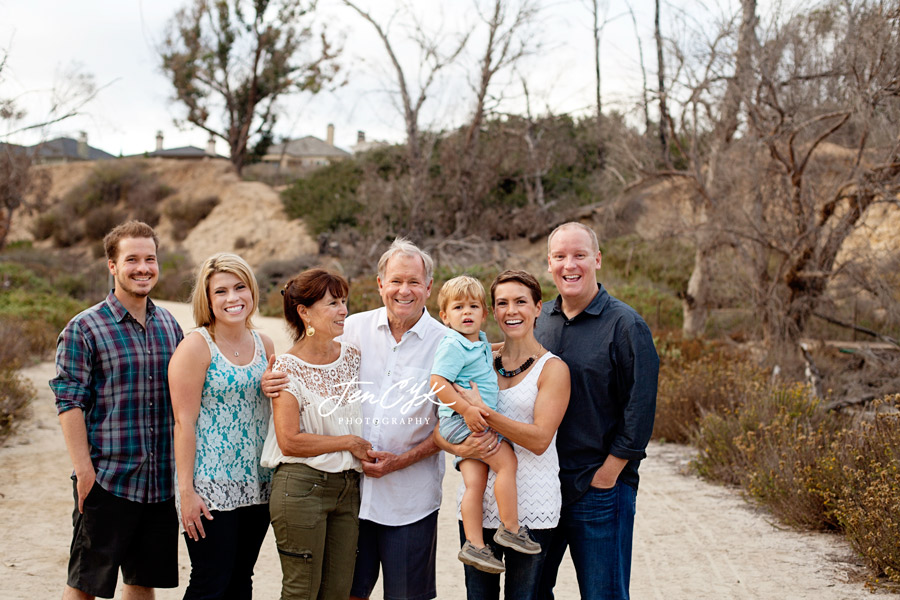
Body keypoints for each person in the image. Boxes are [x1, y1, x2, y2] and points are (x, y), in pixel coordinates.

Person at [262, 239, 480, 600]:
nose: (404, 290)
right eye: (395, 281)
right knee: (346, 592)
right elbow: (308, 357)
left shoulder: (449, 344)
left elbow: (453, 420)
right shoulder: (351, 329)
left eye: (414, 281)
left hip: (410, 501)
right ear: (380, 285)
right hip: (349, 496)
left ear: (428, 287)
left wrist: (402, 460)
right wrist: (272, 378)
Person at [51, 220, 183, 600]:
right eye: (132, 259)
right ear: (112, 265)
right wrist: (84, 473)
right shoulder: (84, 328)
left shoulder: (169, 326)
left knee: (142, 582)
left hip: (159, 482)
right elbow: (69, 401)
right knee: (85, 585)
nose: (143, 268)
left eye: (150, 259)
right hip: (108, 478)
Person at [535, 222, 659, 600]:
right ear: (550, 263)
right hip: (542, 488)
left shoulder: (626, 325)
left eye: (579, 255)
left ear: (597, 260)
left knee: (603, 594)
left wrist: (609, 474)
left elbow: (640, 409)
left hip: (599, 489)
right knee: (531, 592)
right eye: (560, 256)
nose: (569, 265)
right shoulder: (540, 322)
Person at [435, 270, 570, 600]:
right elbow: (439, 432)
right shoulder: (481, 359)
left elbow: (540, 440)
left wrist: (485, 415)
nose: (512, 310)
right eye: (503, 303)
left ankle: (513, 531)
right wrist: (462, 444)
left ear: (539, 307)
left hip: (531, 509)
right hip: (478, 507)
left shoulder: (553, 369)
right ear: (492, 311)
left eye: (521, 302)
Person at [259, 268, 372, 600]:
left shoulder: (353, 357)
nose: (343, 311)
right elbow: (289, 440)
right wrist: (349, 442)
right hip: (301, 487)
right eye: (332, 303)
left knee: (338, 591)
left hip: (348, 489)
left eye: (344, 302)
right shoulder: (285, 369)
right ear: (304, 311)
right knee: (301, 592)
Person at [168, 253, 275, 599]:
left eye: (240, 287)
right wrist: (186, 493)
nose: (233, 298)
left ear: (252, 291)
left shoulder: (265, 344)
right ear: (208, 299)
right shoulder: (195, 346)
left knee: (241, 578)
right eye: (221, 291)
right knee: (209, 582)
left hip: (258, 483)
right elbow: (184, 423)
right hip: (210, 486)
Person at [430, 275, 541, 575]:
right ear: (444, 316)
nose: (466, 313)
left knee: (474, 484)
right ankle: (511, 528)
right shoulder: (453, 344)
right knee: (507, 463)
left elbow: (486, 350)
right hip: (465, 420)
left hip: (463, 422)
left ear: (484, 313)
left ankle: (475, 546)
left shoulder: (476, 342)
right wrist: (467, 410)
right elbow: (437, 382)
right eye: (458, 308)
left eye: (473, 306)